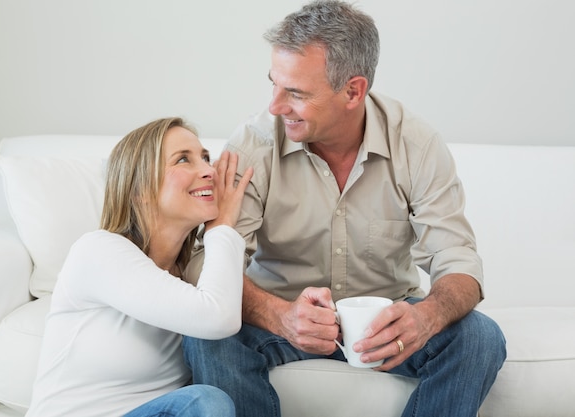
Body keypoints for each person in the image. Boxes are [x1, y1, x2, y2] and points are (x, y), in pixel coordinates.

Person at [182, 2, 507, 417]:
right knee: (206, 336)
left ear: (353, 90)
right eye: (275, 85)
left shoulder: (417, 145)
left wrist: (426, 315)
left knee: (480, 337)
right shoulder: (252, 146)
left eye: (296, 93)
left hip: (386, 325)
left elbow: (459, 262)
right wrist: (280, 316)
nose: (276, 106)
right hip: (279, 321)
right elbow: (206, 265)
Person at [26, 117, 254, 417]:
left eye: (206, 158)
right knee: (205, 402)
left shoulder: (191, 280)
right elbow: (219, 318)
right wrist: (222, 226)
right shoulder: (98, 251)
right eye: (184, 159)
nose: (208, 171)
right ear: (140, 189)